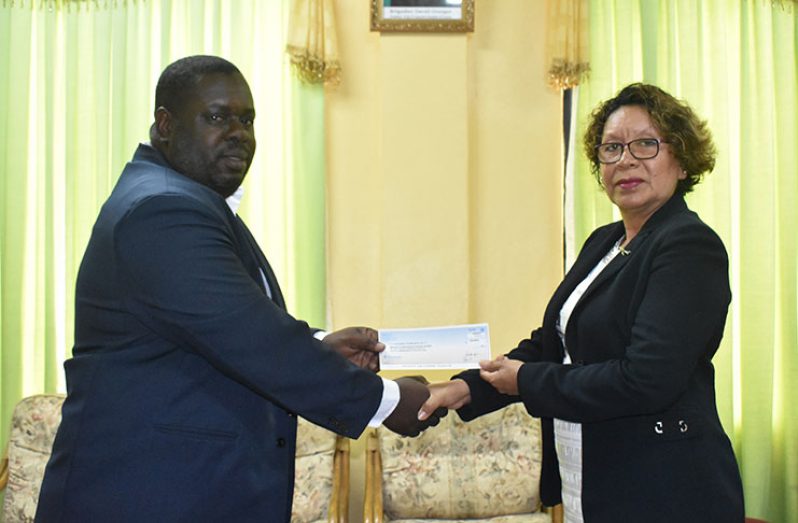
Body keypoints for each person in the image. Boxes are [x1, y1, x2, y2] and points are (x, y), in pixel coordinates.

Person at [35, 55, 443, 522]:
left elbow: (233, 321)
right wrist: (387, 402)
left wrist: (318, 346)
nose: (238, 132)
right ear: (165, 124)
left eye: (247, 119)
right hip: (145, 497)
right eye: (216, 117)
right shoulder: (163, 210)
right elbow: (253, 341)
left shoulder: (189, 200)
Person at [419, 83, 744, 522]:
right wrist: (465, 388)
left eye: (645, 144)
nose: (625, 159)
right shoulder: (604, 242)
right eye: (611, 148)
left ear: (682, 159)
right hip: (588, 475)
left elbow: (646, 380)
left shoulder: (688, 245)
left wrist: (527, 381)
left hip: (663, 489)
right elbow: (553, 344)